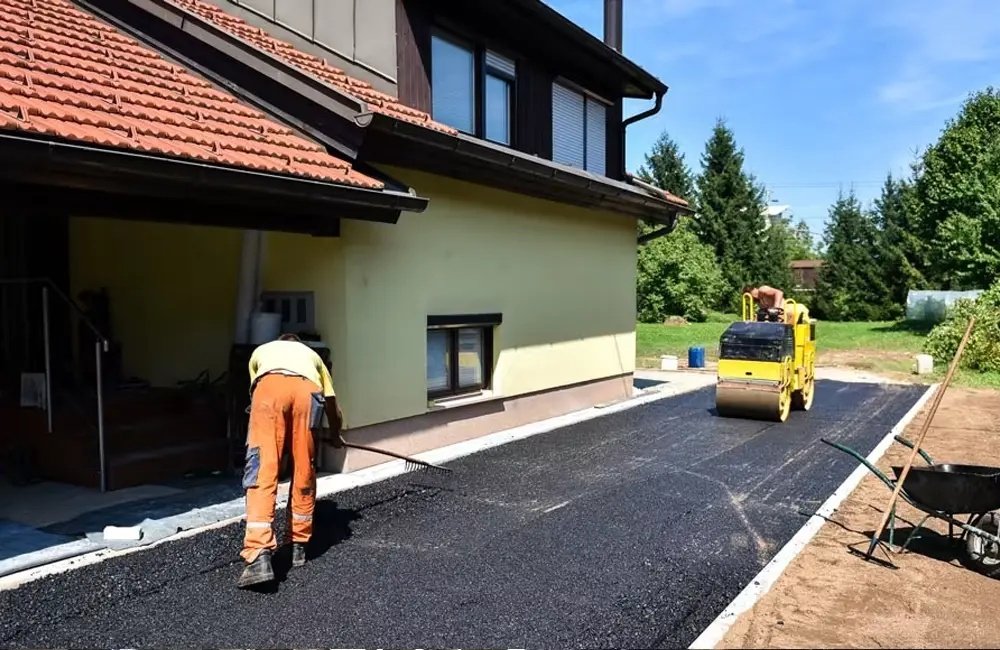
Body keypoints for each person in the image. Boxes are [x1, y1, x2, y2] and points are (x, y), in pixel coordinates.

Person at [237, 333, 344, 589]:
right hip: (308, 393)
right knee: (304, 467)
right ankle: (299, 545)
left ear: (281, 341)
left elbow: (258, 393)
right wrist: (335, 434)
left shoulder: (261, 352)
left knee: (262, 468)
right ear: (298, 344)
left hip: (268, 390)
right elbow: (331, 404)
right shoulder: (313, 357)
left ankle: (258, 554)